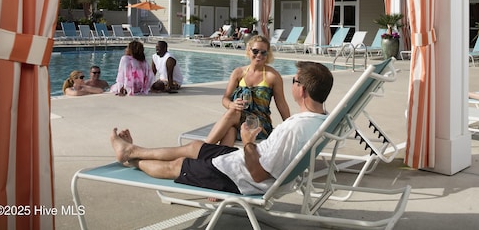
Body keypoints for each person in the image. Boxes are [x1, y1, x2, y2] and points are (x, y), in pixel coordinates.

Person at [110, 61, 333, 195]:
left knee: (177, 165)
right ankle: (132, 150)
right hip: (242, 161)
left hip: (238, 176)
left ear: (301, 90)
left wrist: (247, 140)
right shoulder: (323, 119)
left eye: (294, 81)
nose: (291, 84)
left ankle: (134, 160)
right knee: (195, 146)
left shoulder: (295, 128)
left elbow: (258, 175)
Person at [205, 35, 291, 146]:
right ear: (248, 50)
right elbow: (225, 99)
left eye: (263, 52)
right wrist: (231, 104)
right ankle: (218, 160)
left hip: (258, 124)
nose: (259, 55)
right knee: (230, 129)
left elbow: (282, 104)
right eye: (255, 51)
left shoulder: (272, 76)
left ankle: (203, 149)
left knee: (233, 114)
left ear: (267, 54)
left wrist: (290, 127)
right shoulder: (238, 73)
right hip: (237, 120)